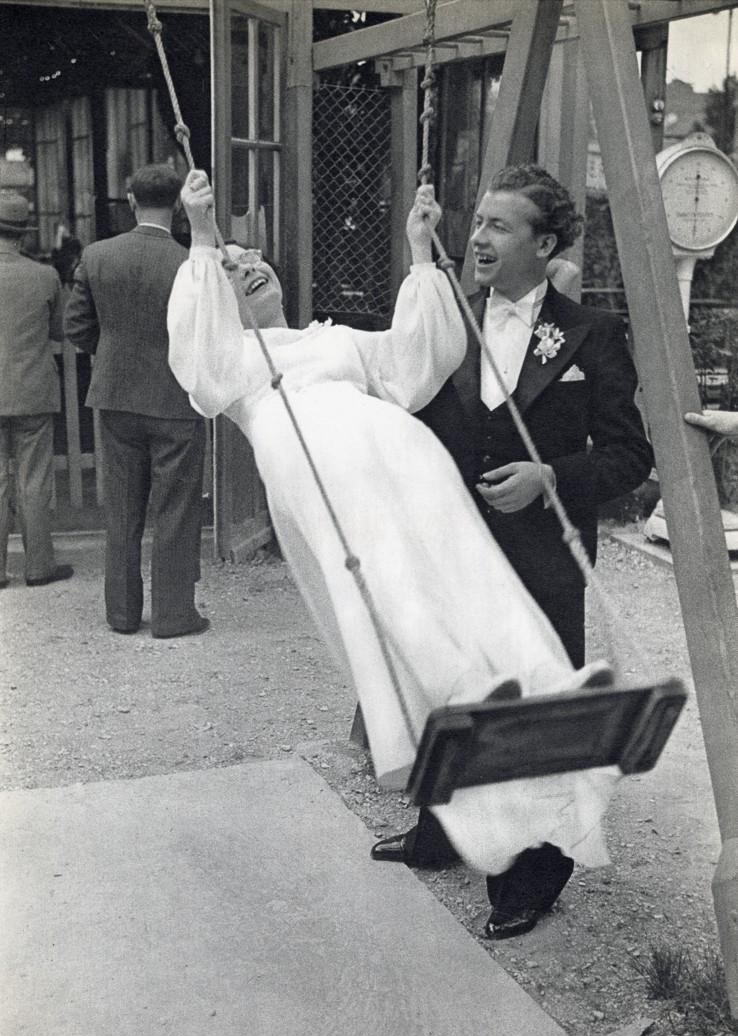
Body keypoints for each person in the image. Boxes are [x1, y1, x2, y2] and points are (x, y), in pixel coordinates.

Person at [167, 167, 620, 887]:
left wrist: (418, 250)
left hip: (419, 483)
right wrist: (201, 235)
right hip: (337, 486)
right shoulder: (233, 359)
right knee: (410, 633)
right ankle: (451, 809)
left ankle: (535, 847)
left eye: (252, 257)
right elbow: (197, 358)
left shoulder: (339, 338)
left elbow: (416, 359)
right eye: (230, 267)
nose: (246, 265)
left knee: (485, 629)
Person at [374, 164, 654, 938]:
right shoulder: (452, 322)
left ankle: (532, 876)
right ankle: (441, 833)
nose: (478, 237)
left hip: (544, 563)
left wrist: (550, 477)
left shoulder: (592, 333)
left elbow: (630, 457)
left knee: (538, 711)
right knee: (452, 687)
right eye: (477, 223)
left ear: (545, 244)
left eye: (499, 225)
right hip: (455, 553)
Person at [64, 163, 208, 638]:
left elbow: (77, 326)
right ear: (178, 207)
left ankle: (122, 613)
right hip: (175, 400)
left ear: (130, 201)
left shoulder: (97, 255)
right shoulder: (190, 264)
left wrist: (111, 356)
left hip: (116, 396)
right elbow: (204, 333)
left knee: (122, 510)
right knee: (175, 510)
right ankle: (173, 615)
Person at [0, 189, 74, 588]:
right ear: (23, 234)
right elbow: (60, 331)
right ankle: (39, 566)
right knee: (34, 480)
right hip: (33, 390)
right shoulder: (44, 276)